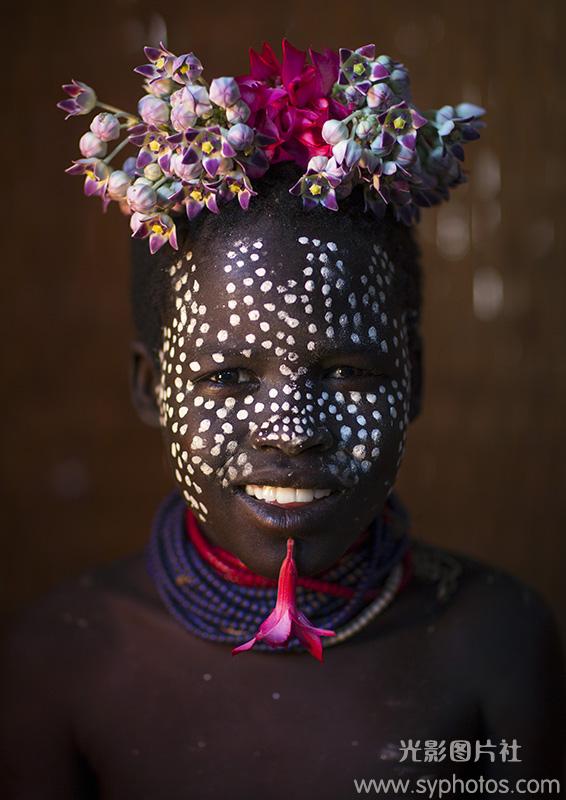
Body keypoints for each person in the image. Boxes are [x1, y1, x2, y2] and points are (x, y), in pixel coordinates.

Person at [1, 40, 563, 800]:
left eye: (347, 372)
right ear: (149, 387)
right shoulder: (58, 661)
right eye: (229, 378)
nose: (292, 429)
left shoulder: (496, 641)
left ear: (416, 378)